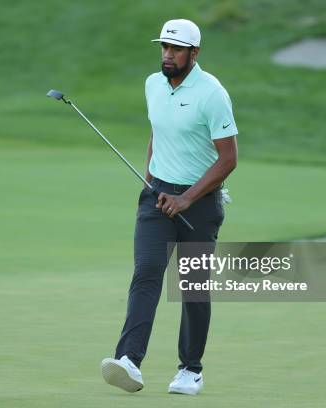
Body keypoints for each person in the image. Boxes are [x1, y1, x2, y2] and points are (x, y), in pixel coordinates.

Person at [100, 19, 238, 395]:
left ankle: (190, 370)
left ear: (194, 53)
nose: (168, 54)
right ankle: (129, 359)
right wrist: (150, 182)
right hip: (157, 199)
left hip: (200, 204)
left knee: (192, 288)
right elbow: (157, 133)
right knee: (146, 273)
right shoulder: (152, 84)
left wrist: (187, 198)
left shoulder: (212, 94)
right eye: (164, 47)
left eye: (176, 49)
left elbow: (228, 159)